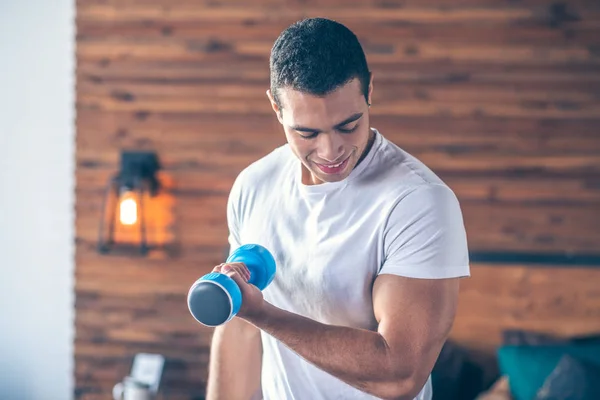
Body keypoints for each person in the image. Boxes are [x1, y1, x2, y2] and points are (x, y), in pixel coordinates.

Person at [206, 17, 470, 400]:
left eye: (349, 125)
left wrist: (262, 312)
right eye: (307, 133)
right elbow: (241, 327)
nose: (331, 152)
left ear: (369, 92)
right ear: (276, 108)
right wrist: (249, 311)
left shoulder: (418, 202)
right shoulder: (254, 185)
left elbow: (399, 375)